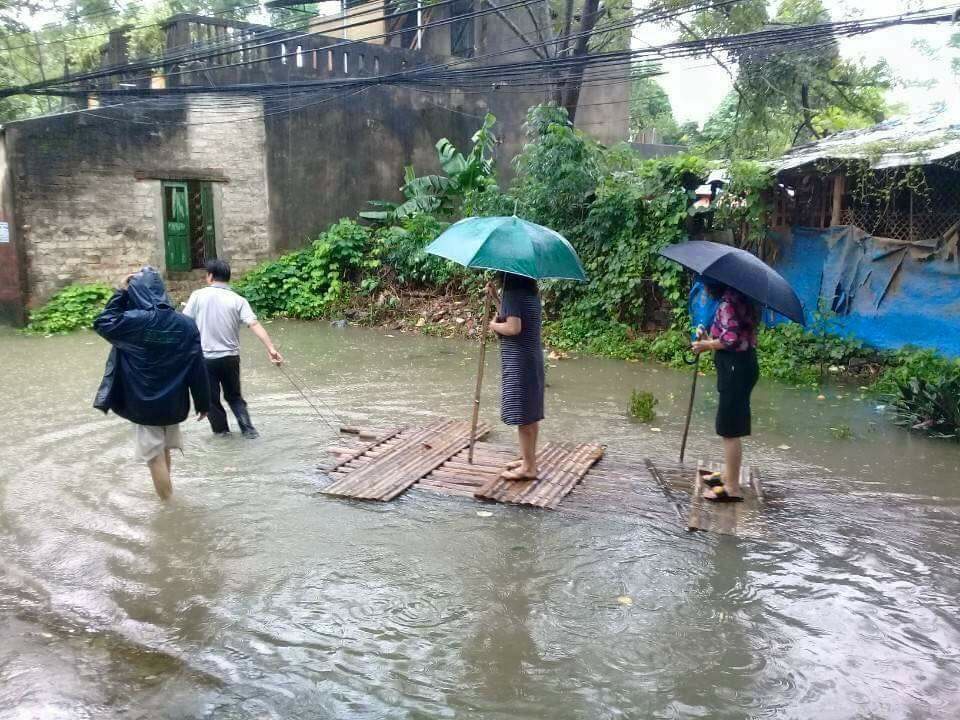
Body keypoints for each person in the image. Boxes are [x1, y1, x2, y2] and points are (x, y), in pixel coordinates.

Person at [93, 267, 210, 501]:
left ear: (138, 292)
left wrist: (120, 291)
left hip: (144, 403)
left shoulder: (134, 322)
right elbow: (197, 365)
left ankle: (168, 508)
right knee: (164, 448)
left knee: (153, 456)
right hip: (175, 402)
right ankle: (170, 495)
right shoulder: (186, 324)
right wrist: (203, 401)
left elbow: (103, 322)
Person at [182, 259, 283, 439]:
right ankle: (249, 431)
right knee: (235, 398)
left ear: (210, 276)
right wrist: (271, 349)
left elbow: (183, 324)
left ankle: (222, 435)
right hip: (231, 358)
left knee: (212, 402)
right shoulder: (238, 300)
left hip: (206, 360)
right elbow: (254, 324)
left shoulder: (198, 296)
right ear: (227, 278)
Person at [691, 279, 760, 502]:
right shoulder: (740, 299)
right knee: (732, 425)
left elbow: (729, 340)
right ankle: (730, 475)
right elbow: (730, 334)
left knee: (729, 429)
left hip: (735, 369)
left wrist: (706, 345)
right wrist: (708, 340)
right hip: (743, 365)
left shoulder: (727, 304)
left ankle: (731, 488)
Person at [486, 272, 545, 480]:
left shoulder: (512, 294)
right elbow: (511, 314)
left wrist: (492, 325)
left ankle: (529, 468)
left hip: (519, 361)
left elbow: (513, 327)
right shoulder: (529, 294)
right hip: (532, 358)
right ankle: (527, 458)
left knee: (523, 416)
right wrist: (495, 298)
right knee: (531, 414)